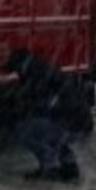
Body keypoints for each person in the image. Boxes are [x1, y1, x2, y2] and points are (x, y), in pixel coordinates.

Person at [6, 48, 88, 182]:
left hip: (71, 123)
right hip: (81, 122)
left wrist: (19, 110)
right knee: (52, 133)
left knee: (24, 132)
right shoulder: (43, 68)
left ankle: (49, 168)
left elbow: (41, 106)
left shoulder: (35, 76)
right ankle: (70, 166)